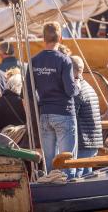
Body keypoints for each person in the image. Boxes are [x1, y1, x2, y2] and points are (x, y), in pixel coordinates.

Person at [27, 22, 78, 178]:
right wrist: (78, 85)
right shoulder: (64, 60)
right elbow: (70, 91)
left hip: (45, 115)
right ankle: (69, 190)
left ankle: (51, 187)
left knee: (50, 163)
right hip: (64, 113)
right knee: (67, 161)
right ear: (60, 38)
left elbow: (28, 92)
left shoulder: (34, 61)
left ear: (43, 38)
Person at [71, 56, 103, 177]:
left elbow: (71, 115)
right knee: (87, 176)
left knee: (77, 175)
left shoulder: (77, 90)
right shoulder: (88, 86)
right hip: (93, 141)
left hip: (84, 141)